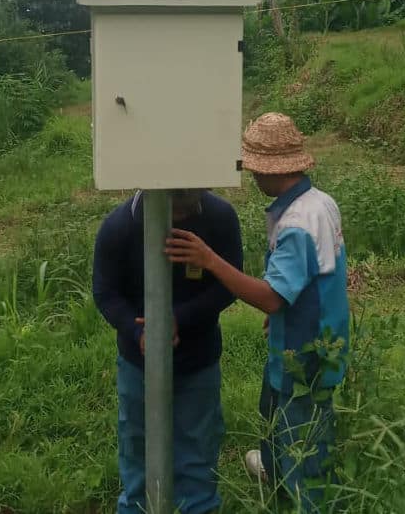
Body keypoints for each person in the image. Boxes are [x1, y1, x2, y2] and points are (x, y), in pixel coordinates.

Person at [166, 113, 349, 513]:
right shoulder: (321, 203)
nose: (252, 178)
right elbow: (321, 277)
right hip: (318, 333)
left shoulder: (298, 224)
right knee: (274, 411)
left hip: (305, 354)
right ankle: (273, 466)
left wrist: (209, 260)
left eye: (254, 170)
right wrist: (286, 310)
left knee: (301, 432)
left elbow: (269, 296)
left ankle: (305, 496)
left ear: (269, 172)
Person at [93, 188, 243, 514]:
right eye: (175, 209)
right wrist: (139, 331)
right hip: (138, 365)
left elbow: (229, 285)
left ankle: (199, 507)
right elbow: (105, 292)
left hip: (198, 360)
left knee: (197, 453)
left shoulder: (219, 218)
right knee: (138, 451)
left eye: (189, 208)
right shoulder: (120, 227)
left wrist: (179, 319)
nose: (181, 219)